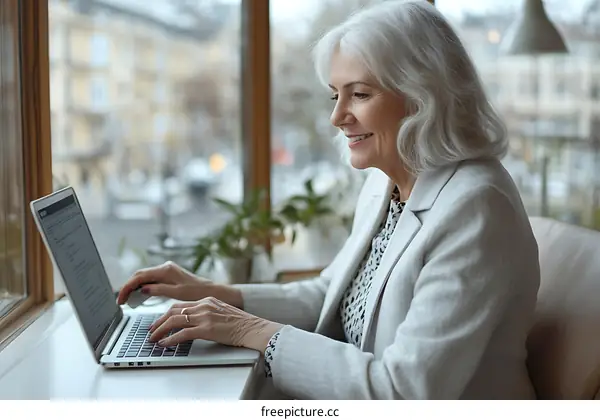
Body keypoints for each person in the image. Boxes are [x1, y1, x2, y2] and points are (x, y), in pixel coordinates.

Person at [117, 0, 540, 399]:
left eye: (359, 94)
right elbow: (329, 295)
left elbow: (403, 392)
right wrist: (217, 294)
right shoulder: (387, 183)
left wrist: (251, 331)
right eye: (334, 94)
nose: (337, 117)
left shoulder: (477, 207)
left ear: (422, 96)